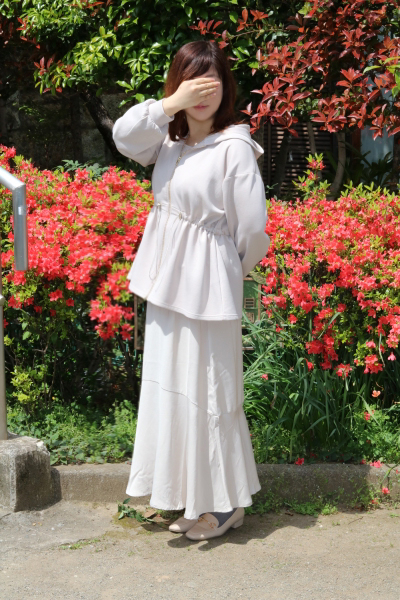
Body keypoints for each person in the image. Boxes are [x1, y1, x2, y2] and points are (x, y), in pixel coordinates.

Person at [112, 39, 270, 541]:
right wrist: (170, 105)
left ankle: (225, 505)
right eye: (192, 82)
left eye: (212, 82)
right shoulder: (168, 142)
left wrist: (228, 274)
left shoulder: (235, 148)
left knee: (212, 389)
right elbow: (123, 136)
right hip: (167, 285)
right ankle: (192, 496)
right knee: (174, 386)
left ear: (227, 88)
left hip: (209, 287)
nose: (203, 93)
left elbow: (252, 230)